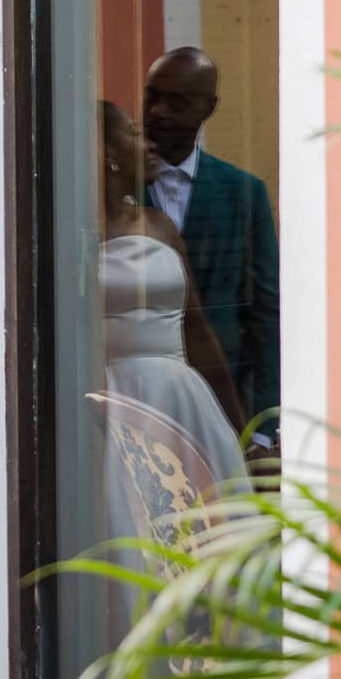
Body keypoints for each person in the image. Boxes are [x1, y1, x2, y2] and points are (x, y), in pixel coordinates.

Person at [99, 102, 246, 483]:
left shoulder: (159, 225)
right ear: (107, 155)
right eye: (133, 133)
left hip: (179, 397)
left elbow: (196, 328)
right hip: (113, 399)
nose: (148, 144)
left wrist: (237, 423)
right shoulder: (74, 237)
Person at [142, 47, 281, 443]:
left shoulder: (244, 193)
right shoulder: (108, 190)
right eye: (152, 95)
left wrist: (264, 425)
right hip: (135, 398)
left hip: (223, 401)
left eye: (177, 102)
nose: (158, 112)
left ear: (210, 108)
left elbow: (265, 315)